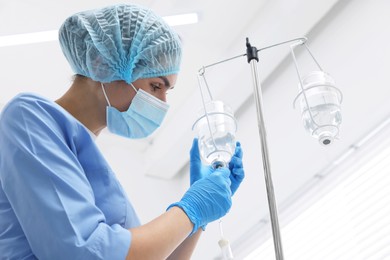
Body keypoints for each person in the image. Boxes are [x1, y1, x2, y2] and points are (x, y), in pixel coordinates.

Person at [0, 3, 245, 259]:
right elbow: (85, 252)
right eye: (155, 86)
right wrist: (190, 209)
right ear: (102, 64)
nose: (162, 103)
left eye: (166, 92)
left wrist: (197, 220)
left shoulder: (93, 165)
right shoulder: (28, 118)